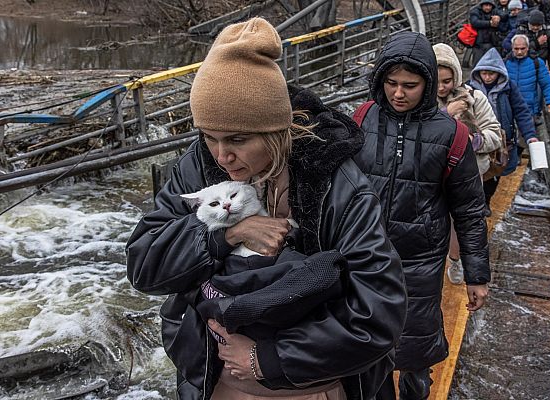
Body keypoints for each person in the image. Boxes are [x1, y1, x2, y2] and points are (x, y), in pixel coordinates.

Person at [126, 17, 407, 400]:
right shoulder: (199, 166)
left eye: (238, 140)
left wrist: (268, 357)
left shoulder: (339, 185)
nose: (223, 156)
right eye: (209, 137)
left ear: (275, 130)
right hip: (214, 379)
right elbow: (144, 266)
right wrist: (226, 236)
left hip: (310, 387)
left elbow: (378, 313)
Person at [352, 31, 491, 400]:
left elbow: (470, 210)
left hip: (420, 259)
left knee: (415, 345)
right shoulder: (363, 119)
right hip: (364, 255)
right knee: (367, 344)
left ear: (427, 84)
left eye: (409, 86)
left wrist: (477, 275)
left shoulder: (451, 134)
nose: (398, 93)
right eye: (391, 83)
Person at [433, 43, 502, 283]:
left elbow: (495, 134)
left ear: (457, 77)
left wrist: (474, 141)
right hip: (431, 174)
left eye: (447, 81)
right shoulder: (419, 100)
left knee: (460, 222)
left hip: (468, 174)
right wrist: (446, 114)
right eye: (436, 80)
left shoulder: (474, 98)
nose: (441, 87)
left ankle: (455, 260)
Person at [467, 48, 538, 212]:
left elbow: (521, 111)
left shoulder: (508, 88)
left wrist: (530, 135)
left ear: (499, 73)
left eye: (491, 74)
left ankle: (485, 201)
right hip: (478, 138)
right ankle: (474, 203)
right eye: (484, 73)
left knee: (495, 171)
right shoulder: (469, 88)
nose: (488, 77)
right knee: (476, 170)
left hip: (501, 139)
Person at [505, 34, 550, 123]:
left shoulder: (536, 63)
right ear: (512, 48)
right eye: (516, 49)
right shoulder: (505, 63)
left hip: (529, 109)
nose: (519, 52)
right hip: (509, 109)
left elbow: (547, 83)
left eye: (522, 48)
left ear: (528, 48)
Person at [503, 10, 550, 76]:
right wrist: (536, 43)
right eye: (533, 25)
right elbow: (520, 48)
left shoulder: (549, 31)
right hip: (524, 63)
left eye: (538, 25)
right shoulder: (521, 29)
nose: (535, 27)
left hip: (542, 63)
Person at [469, 0, 503, 67]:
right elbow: (474, 22)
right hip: (478, 43)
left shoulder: (495, 11)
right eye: (486, 5)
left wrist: (499, 18)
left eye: (489, 6)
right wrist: (489, 23)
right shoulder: (475, 11)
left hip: (492, 42)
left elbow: (504, 15)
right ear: (482, 5)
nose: (488, 8)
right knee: (477, 64)